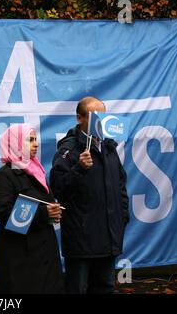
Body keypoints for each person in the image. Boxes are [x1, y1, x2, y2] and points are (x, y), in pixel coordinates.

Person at [49, 96, 130, 294]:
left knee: (105, 287)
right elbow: (57, 188)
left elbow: (120, 187)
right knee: (77, 288)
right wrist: (79, 168)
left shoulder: (109, 148)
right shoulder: (68, 150)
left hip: (108, 237)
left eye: (104, 115)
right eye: (96, 116)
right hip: (81, 240)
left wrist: (121, 219)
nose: (101, 121)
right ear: (80, 118)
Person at [0, 123, 64, 294]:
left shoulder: (37, 172)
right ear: (14, 143)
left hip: (45, 250)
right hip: (19, 254)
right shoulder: (3, 176)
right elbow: (5, 215)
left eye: (35, 139)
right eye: (30, 140)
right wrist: (44, 213)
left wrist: (54, 212)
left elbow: (46, 203)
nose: (36, 144)